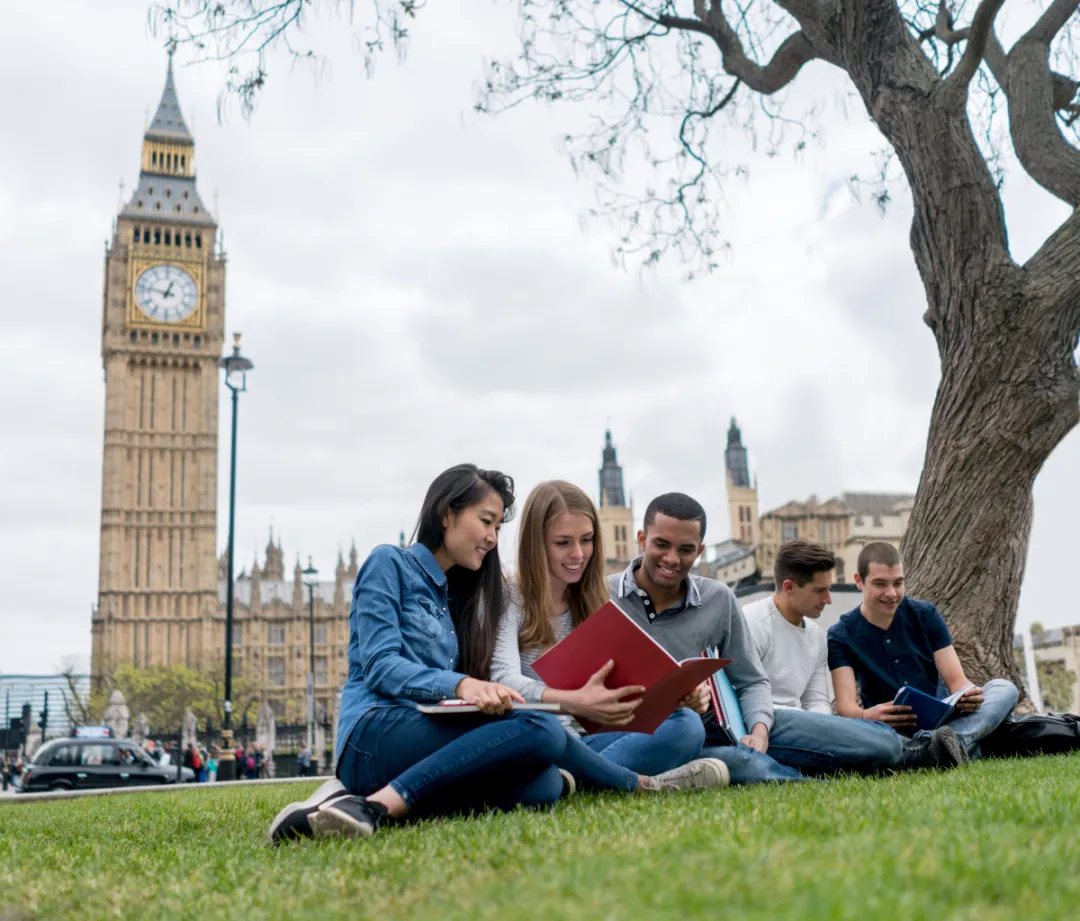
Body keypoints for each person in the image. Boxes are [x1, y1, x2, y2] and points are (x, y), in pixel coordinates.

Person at [269, 465, 569, 845]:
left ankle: (343, 801)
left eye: (497, 528)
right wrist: (462, 684)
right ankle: (375, 807)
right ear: (446, 514)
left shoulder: (450, 599)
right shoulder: (388, 563)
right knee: (542, 730)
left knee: (543, 784)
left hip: (416, 732)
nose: (493, 537)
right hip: (372, 732)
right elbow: (380, 666)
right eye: (486, 521)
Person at [490, 480, 729, 794]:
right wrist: (574, 701)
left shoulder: (594, 598)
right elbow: (504, 678)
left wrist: (676, 694)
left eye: (586, 540)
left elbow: (621, 686)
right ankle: (637, 782)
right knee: (551, 738)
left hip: (591, 740)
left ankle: (573, 780)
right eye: (563, 543)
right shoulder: (509, 596)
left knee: (686, 725)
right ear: (537, 543)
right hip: (539, 736)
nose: (578, 554)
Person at [607, 492, 806, 784]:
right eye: (661, 544)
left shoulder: (718, 598)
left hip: (716, 730)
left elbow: (751, 680)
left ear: (699, 551)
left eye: (686, 550)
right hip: (644, 736)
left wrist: (759, 732)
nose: (672, 559)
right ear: (641, 539)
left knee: (874, 744)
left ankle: (897, 748)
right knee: (747, 765)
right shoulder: (601, 596)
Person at [827, 541, 1019, 766]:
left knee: (1004, 688)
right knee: (877, 742)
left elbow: (957, 681)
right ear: (859, 581)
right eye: (880, 584)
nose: (891, 593)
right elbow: (847, 707)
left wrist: (968, 695)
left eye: (898, 583)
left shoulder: (925, 614)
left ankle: (933, 747)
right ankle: (959, 744)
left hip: (943, 720)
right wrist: (869, 715)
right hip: (890, 730)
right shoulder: (840, 635)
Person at [742, 540, 903, 774]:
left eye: (828, 589)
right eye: (820, 591)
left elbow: (817, 701)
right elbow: (746, 693)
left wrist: (825, 729)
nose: (828, 599)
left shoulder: (817, 636)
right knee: (886, 742)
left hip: (801, 725)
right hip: (766, 723)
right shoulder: (752, 623)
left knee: (884, 736)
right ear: (789, 587)